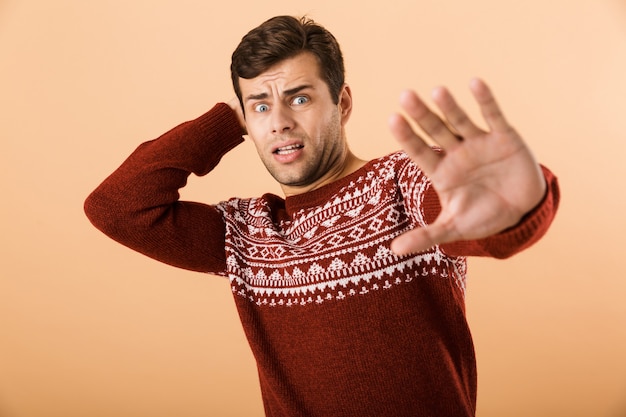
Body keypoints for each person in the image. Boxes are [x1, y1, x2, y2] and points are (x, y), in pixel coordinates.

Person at [84, 15, 559, 417]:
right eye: (261, 107)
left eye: (300, 97)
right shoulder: (246, 233)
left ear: (343, 103)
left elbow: (472, 216)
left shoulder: (404, 179)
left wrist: (511, 207)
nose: (279, 121)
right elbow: (116, 207)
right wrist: (229, 118)